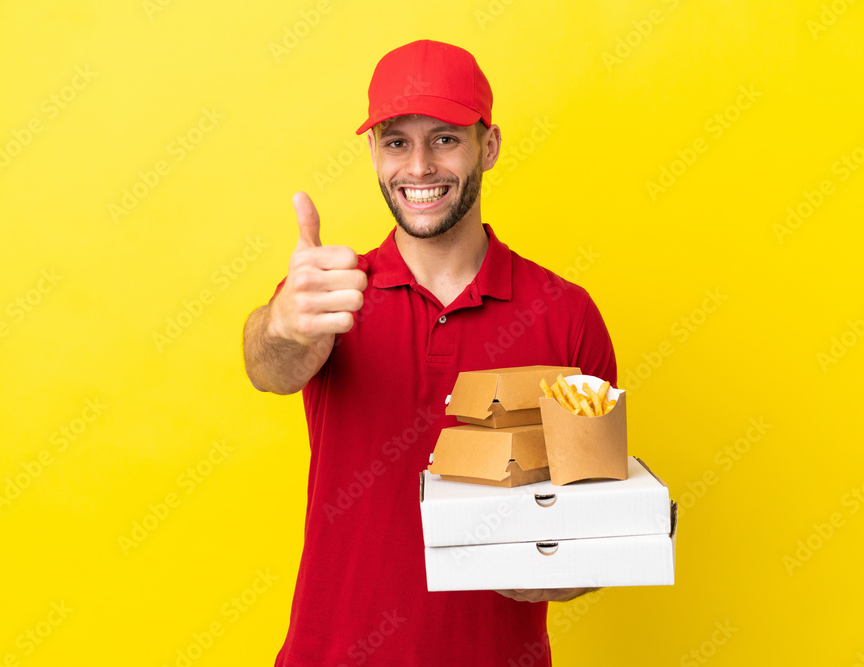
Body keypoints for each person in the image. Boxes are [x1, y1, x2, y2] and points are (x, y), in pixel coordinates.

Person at [243, 39, 617, 667]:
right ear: (373, 153)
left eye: (445, 138)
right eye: (397, 141)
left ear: (488, 146)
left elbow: (598, 511)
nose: (419, 166)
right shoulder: (329, 294)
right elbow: (269, 368)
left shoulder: (566, 313)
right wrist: (280, 322)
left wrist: (579, 564)